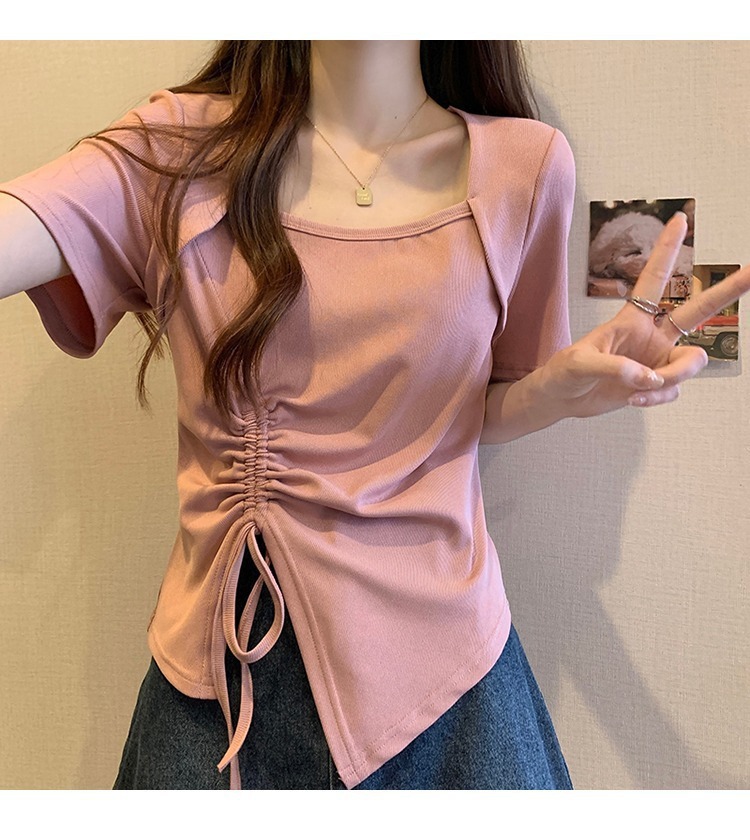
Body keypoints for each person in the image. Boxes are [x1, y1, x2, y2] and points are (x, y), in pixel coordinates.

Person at [1, 40, 748, 791]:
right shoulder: (175, 149)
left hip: (452, 678)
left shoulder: (525, 165)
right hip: (217, 685)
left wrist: (550, 396)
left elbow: (466, 407)